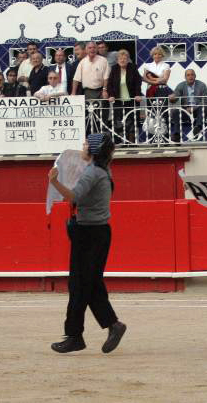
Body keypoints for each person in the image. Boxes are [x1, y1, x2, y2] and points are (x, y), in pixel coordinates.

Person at [47, 133, 126, 354]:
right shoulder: (101, 170)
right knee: (91, 285)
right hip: (96, 232)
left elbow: (72, 197)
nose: (82, 146)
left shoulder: (92, 173)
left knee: (79, 286)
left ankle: (75, 336)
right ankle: (113, 325)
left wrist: (54, 181)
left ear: (92, 150)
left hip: (89, 234)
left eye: (85, 144)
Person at [106, 49, 142, 143]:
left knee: (132, 121)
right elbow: (109, 84)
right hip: (118, 101)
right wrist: (111, 95)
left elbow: (138, 82)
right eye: (120, 59)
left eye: (124, 59)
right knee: (120, 122)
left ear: (128, 59)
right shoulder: (114, 68)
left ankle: (132, 143)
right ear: (117, 60)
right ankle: (123, 142)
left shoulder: (133, 67)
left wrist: (138, 95)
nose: (122, 60)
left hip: (131, 100)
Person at [169, 68, 207, 142]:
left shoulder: (202, 85)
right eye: (188, 75)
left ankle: (197, 128)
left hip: (198, 110)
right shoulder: (181, 85)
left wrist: (193, 108)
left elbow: (206, 100)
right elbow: (175, 97)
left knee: (203, 108)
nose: (190, 77)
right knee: (175, 112)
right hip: (186, 110)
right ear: (185, 77)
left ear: (195, 76)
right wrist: (172, 98)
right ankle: (177, 134)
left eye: (192, 75)